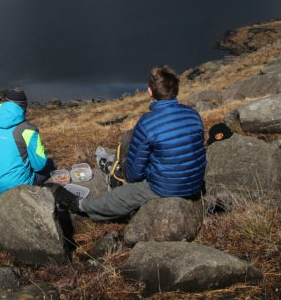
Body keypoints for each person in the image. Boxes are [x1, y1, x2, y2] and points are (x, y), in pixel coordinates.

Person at [58, 65, 206, 221]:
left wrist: (129, 174)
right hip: (194, 184)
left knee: (121, 195)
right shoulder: (193, 114)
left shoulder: (147, 122)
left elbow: (135, 173)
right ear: (176, 90)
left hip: (167, 188)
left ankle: (82, 206)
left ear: (150, 91)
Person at [0, 86, 54, 195]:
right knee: (51, 165)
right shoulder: (28, 130)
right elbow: (39, 166)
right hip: (18, 187)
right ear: (24, 107)